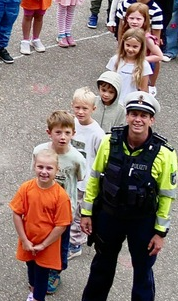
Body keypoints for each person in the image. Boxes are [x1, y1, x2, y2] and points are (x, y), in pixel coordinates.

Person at [80, 92, 178, 301]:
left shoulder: (165, 154)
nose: (138, 120)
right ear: (127, 116)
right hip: (109, 216)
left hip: (142, 222)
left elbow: (167, 195)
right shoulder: (109, 142)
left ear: (152, 120)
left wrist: (160, 233)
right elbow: (95, 179)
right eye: (134, 114)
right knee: (101, 268)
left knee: (142, 273)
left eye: (144, 115)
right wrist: (86, 213)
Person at [33, 111, 88, 295]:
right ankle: (39, 265)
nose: (62, 137)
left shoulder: (77, 158)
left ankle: (56, 272)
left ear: (73, 133)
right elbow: (35, 174)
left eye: (67, 132)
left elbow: (80, 178)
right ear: (49, 133)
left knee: (61, 243)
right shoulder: (39, 151)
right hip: (42, 206)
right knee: (41, 235)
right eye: (58, 132)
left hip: (65, 209)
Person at [10, 147, 72, 301]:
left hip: (48, 245)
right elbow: (17, 213)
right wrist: (24, 239)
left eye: (49, 168)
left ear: (57, 170)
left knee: (42, 274)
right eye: (40, 167)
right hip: (28, 240)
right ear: (34, 166)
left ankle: (38, 297)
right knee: (30, 268)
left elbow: (61, 225)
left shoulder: (61, 196)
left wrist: (44, 244)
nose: (44, 171)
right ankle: (33, 292)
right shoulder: (26, 188)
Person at [69, 88, 105, 260]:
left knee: (78, 214)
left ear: (93, 109)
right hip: (68, 177)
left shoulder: (97, 133)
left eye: (85, 108)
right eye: (77, 108)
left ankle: (75, 243)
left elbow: (101, 159)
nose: (80, 112)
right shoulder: (71, 124)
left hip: (84, 182)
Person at [108, 28, 153, 99]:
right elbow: (108, 82)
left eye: (135, 46)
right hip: (114, 101)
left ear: (141, 47)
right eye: (128, 45)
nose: (130, 49)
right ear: (123, 44)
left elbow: (144, 90)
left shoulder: (144, 65)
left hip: (131, 102)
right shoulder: (115, 60)